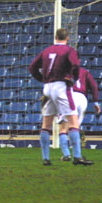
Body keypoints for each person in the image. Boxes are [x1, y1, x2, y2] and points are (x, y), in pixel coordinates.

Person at [29, 28, 93, 166]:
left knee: (46, 124)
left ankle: (45, 158)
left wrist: (42, 79)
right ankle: (77, 156)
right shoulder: (69, 51)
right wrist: (73, 78)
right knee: (73, 121)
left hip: (47, 87)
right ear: (67, 38)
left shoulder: (46, 50)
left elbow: (32, 67)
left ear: (55, 36)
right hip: (61, 87)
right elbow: (75, 65)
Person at [58, 66, 100, 162]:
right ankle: (77, 155)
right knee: (75, 127)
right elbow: (94, 86)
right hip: (82, 99)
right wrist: (96, 102)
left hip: (68, 96)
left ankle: (66, 154)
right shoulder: (85, 72)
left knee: (63, 127)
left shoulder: (63, 71)